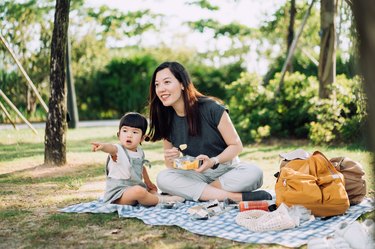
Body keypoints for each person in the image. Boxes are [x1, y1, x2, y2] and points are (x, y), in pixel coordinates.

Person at [147, 61, 271, 202]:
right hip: (196, 173)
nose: (161, 89)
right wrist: (173, 159)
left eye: (167, 82)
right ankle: (235, 198)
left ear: (182, 84)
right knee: (163, 178)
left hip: (226, 169)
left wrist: (213, 161)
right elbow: (170, 166)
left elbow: (236, 146)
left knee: (254, 173)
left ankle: (202, 193)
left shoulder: (211, 108)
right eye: (157, 84)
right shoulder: (166, 118)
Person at [91, 112, 185, 206]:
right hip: (118, 196)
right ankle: (163, 200)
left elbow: (141, 167)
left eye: (135, 132)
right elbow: (111, 148)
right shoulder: (118, 150)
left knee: (147, 190)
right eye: (125, 131)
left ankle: (154, 195)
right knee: (139, 191)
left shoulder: (139, 152)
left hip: (134, 189)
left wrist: (148, 182)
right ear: (119, 134)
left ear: (142, 138)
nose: (129, 135)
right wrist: (103, 146)